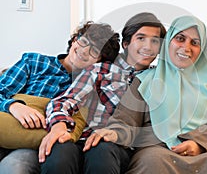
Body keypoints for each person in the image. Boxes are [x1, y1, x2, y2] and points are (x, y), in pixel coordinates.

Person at [83, 15, 207, 174]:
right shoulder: (144, 81)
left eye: (195, 43)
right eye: (180, 38)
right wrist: (115, 132)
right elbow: (126, 119)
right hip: (159, 149)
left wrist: (198, 143)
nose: (186, 47)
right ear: (167, 42)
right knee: (151, 162)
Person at [38, 12, 166, 174]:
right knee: (59, 153)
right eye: (141, 38)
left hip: (115, 146)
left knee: (102, 151)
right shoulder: (102, 69)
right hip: (80, 137)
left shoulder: (158, 80)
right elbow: (65, 101)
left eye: (155, 41)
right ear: (126, 44)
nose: (148, 46)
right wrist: (58, 126)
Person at [0, 21, 119, 174]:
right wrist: (14, 106)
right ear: (75, 39)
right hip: (8, 125)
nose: (84, 51)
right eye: (83, 42)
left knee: (16, 167)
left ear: (99, 62)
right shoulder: (35, 62)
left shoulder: (90, 86)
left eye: (94, 51)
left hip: (34, 146)